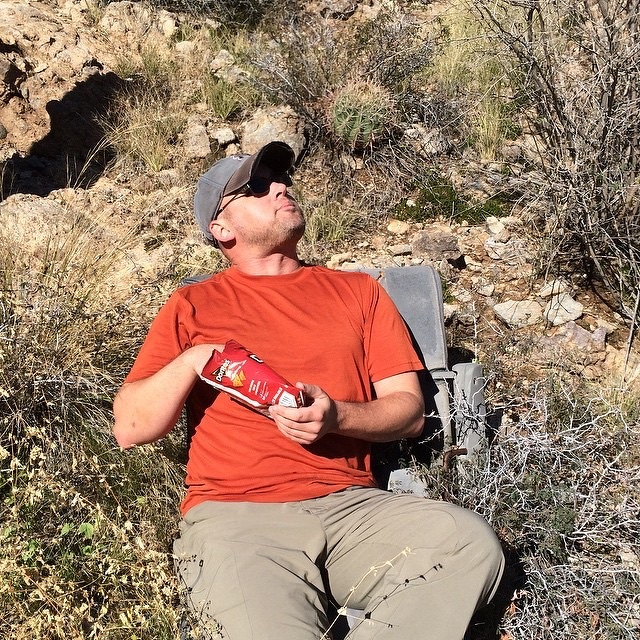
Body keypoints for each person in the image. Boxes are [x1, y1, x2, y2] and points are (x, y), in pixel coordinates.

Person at [113, 141, 504, 640]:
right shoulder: (192, 304)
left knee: (468, 545)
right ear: (222, 229)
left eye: (281, 180)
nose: (280, 187)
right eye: (256, 186)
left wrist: (337, 416)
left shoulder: (358, 292)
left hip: (354, 510)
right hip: (239, 520)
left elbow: (408, 412)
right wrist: (196, 358)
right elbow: (130, 427)